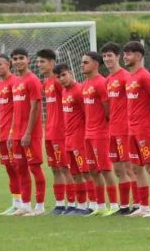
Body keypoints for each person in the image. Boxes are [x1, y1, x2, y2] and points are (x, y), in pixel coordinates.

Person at [122, 40, 150, 217]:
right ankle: (144, 206)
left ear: (138, 56)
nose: (125, 57)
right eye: (124, 54)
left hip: (144, 129)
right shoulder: (130, 77)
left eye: (128, 54)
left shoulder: (144, 76)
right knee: (137, 168)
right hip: (131, 129)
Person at [101, 42, 138, 215]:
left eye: (110, 55)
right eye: (105, 56)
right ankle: (123, 206)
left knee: (129, 168)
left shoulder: (125, 76)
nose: (107, 59)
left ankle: (138, 204)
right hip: (112, 130)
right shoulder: (108, 80)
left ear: (117, 57)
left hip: (125, 129)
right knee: (117, 170)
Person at [8, 48, 46, 216]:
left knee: (35, 168)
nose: (18, 61)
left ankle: (40, 207)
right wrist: (11, 133)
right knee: (20, 169)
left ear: (28, 60)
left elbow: (35, 107)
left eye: (21, 58)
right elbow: (16, 110)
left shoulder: (32, 80)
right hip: (16, 134)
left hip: (30, 134)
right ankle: (25, 205)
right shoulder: (15, 81)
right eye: (15, 59)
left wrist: (28, 133)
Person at [81, 51, 119, 216]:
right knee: (93, 170)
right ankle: (100, 206)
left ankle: (115, 204)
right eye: (82, 62)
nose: (82, 65)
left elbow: (107, 109)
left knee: (105, 170)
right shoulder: (85, 84)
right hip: (88, 133)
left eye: (86, 62)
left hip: (101, 133)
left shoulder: (101, 83)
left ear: (96, 64)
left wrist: (102, 126)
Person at [36, 49, 71, 215]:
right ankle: (59, 204)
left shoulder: (59, 82)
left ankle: (73, 203)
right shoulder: (46, 83)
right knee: (55, 168)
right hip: (49, 131)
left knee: (65, 168)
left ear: (52, 63)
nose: (39, 65)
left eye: (42, 61)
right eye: (38, 62)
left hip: (61, 132)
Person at [55, 63, 93, 215]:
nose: (61, 79)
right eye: (58, 77)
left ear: (71, 73)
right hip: (68, 139)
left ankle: (93, 204)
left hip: (80, 138)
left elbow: (88, 114)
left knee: (86, 172)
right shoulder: (64, 91)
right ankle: (81, 205)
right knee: (75, 174)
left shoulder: (79, 91)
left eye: (64, 75)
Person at [0, 55, 21, 215]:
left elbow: (18, 110)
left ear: (8, 65)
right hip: (2, 132)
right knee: (9, 168)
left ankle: (23, 203)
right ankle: (15, 203)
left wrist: (12, 131)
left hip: (12, 132)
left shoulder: (15, 82)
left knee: (17, 167)